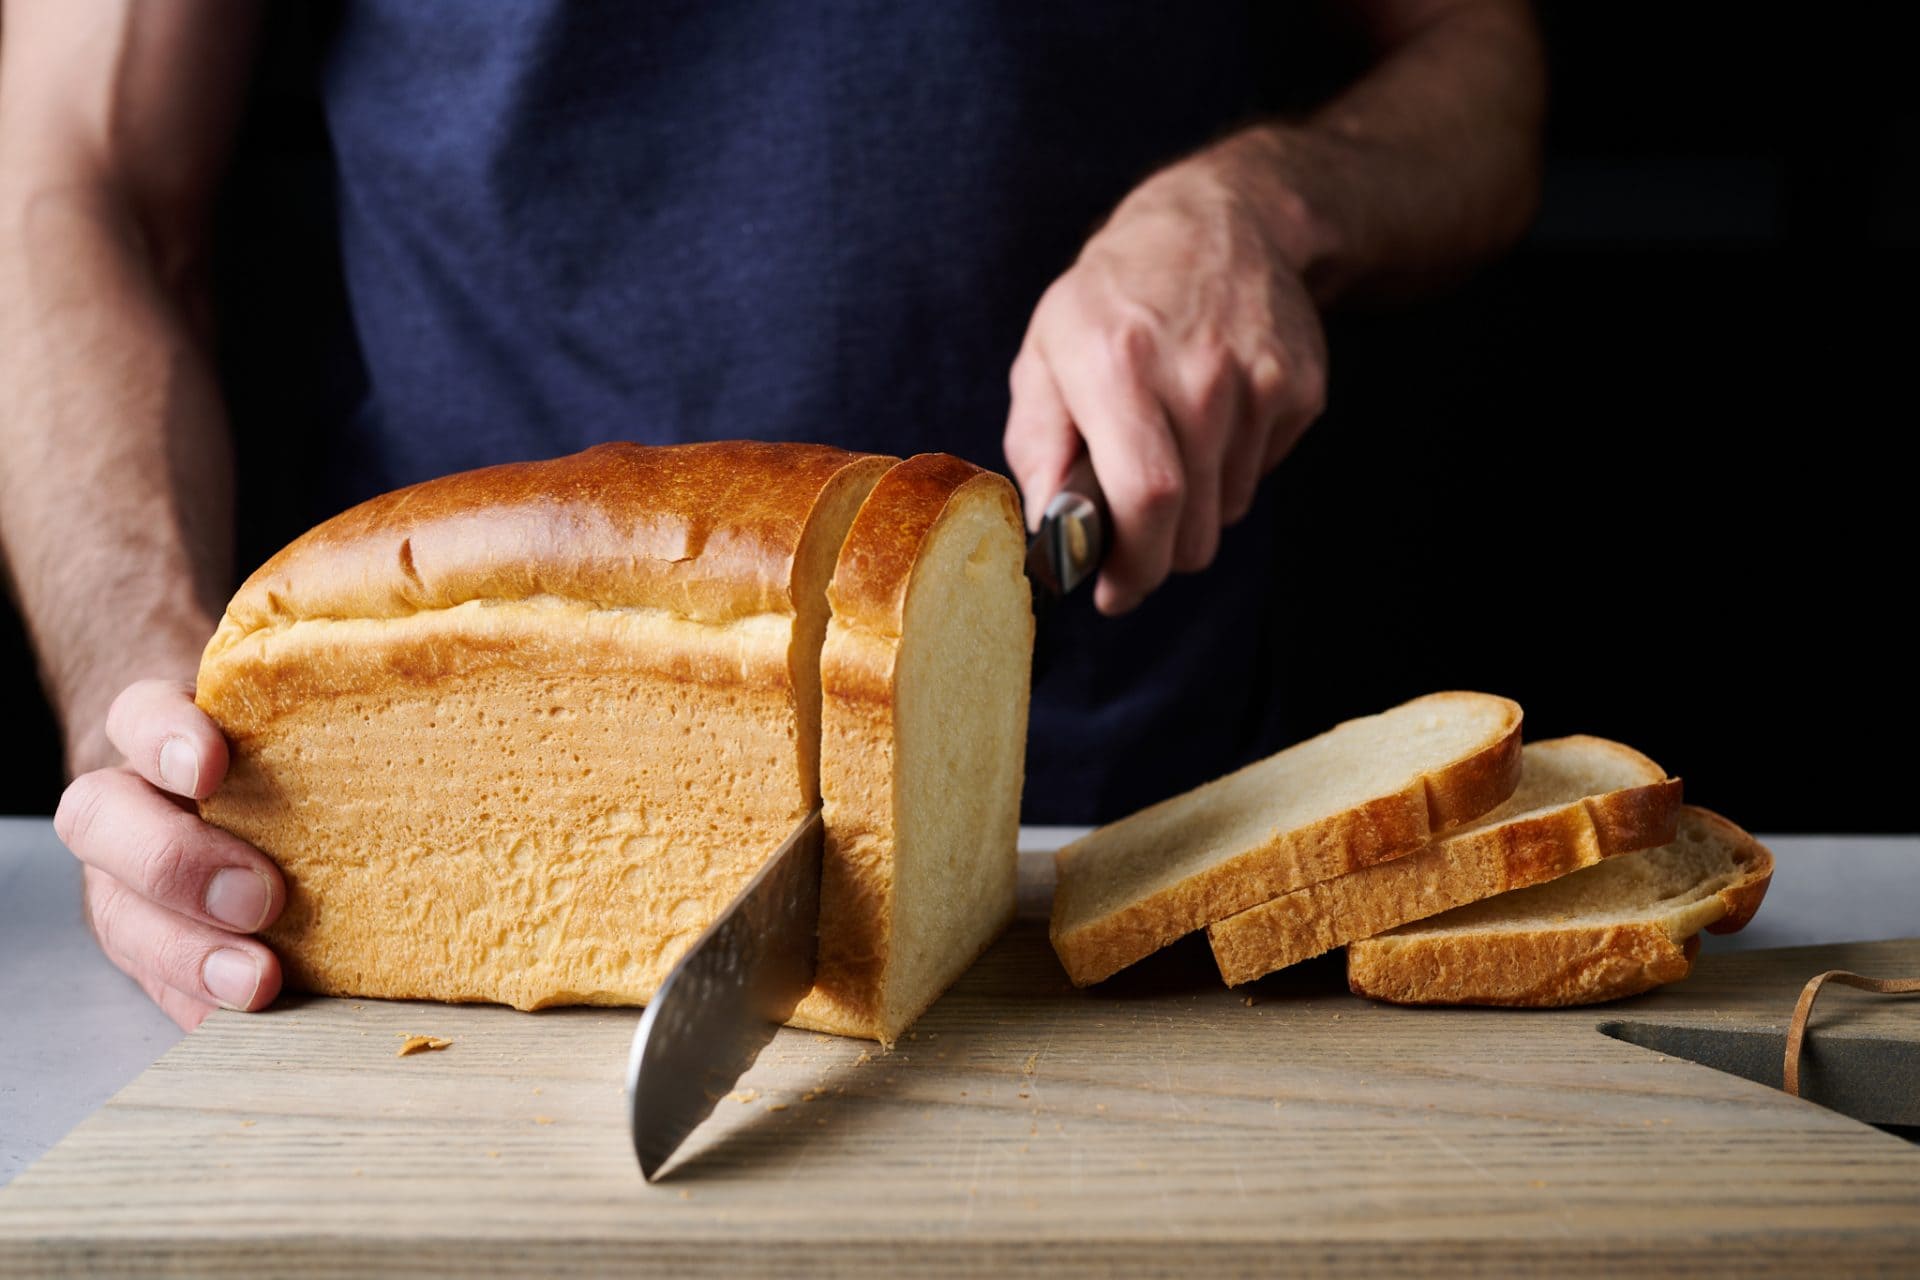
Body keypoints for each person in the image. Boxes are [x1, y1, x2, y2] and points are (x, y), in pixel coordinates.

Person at [0, 1, 1545, 1028]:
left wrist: (1269, 201)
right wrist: (148, 715)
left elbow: (1479, 61)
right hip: (373, 895)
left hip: (1150, 837)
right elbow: (76, 178)